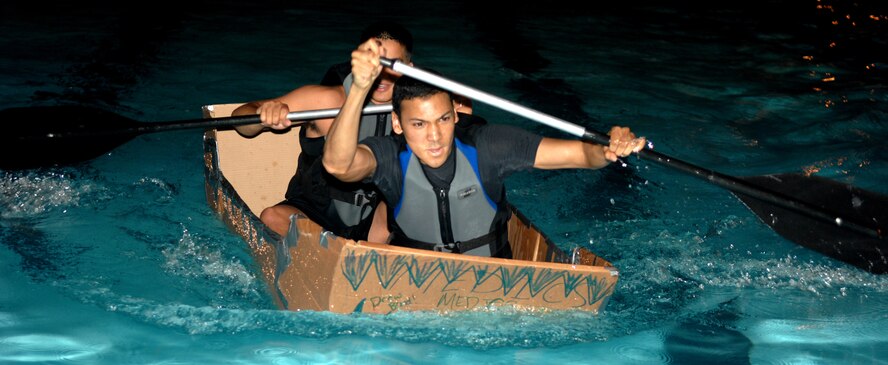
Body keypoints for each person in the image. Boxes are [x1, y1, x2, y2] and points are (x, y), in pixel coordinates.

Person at [322, 39, 646, 258]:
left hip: (492, 287)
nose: (434, 136)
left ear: (455, 113)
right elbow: (338, 165)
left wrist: (606, 149)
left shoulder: (488, 146)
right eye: (419, 124)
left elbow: (581, 155)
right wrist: (359, 89)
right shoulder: (388, 156)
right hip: (417, 283)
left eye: (443, 119)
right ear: (397, 124)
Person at [230, 22, 478, 242]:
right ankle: (336, 258)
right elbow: (240, 119)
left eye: (393, 65)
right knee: (271, 217)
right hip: (314, 212)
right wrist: (264, 116)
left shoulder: (423, 111)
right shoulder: (325, 101)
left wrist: (459, 122)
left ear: (409, 68)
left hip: (375, 222)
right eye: (375, 62)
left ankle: (370, 256)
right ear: (358, 61)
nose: (382, 75)